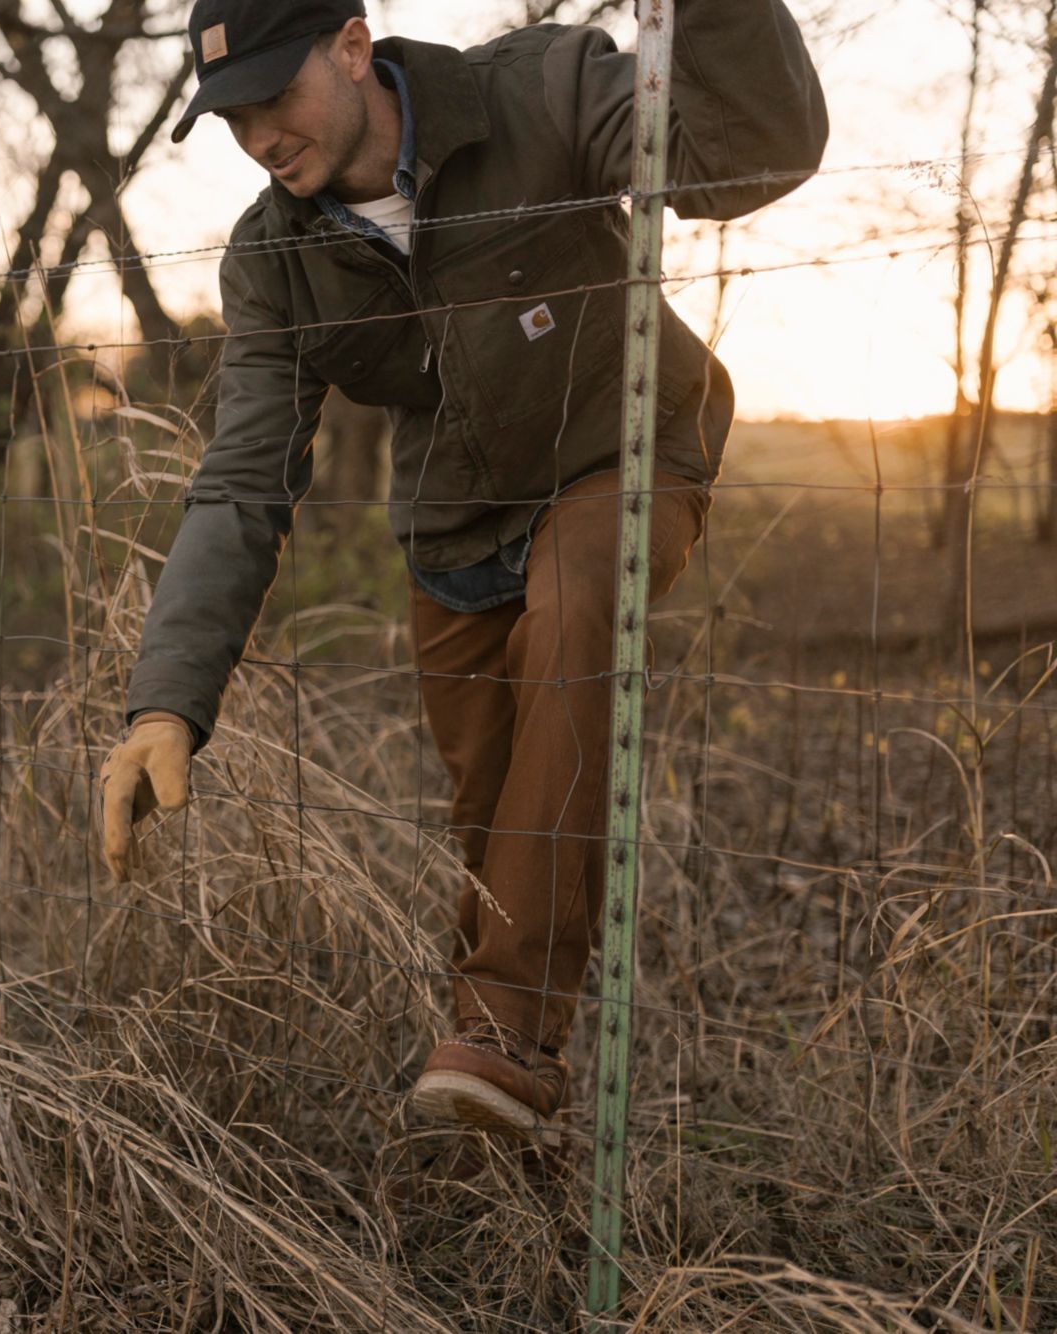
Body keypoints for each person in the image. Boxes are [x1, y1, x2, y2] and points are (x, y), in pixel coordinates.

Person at [99, 0, 826, 1137]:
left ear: (352, 47)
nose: (258, 136)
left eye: (274, 96)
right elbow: (242, 480)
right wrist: (166, 700)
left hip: (617, 454)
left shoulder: (538, 95)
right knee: (499, 826)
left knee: (573, 621)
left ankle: (502, 1038)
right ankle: (497, 1129)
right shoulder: (274, 257)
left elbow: (748, 155)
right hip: (451, 532)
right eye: (230, 116)